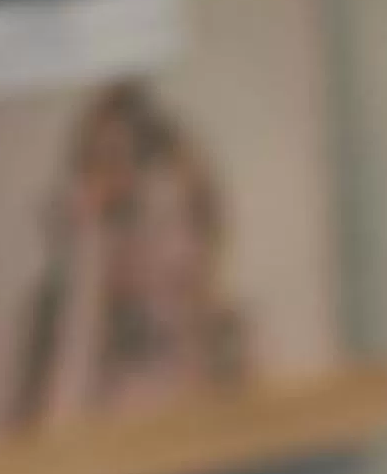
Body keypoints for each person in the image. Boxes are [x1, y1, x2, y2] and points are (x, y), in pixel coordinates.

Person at [17, 82, 251, 429]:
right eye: (121, 218)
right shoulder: (69, 325)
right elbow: (47, 447)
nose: (176, 251)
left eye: (187, 220)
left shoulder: (230, 333)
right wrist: (83, 287)